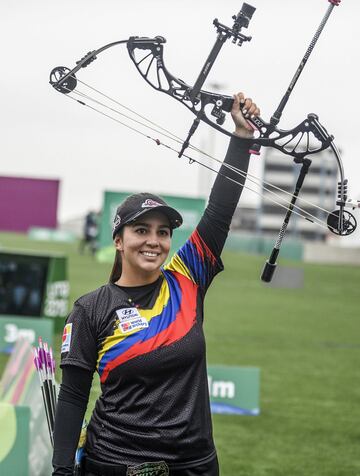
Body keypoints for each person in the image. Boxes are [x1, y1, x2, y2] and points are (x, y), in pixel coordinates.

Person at [52, 92, 260, 476]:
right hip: (115, 463)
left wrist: (241, 138)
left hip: (195, 464)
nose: (154, 240)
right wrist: (63, 469)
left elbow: (219, 212)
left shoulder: (186, 279)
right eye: (141, 230)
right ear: (118, 240)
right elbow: (73, 395)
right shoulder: (90, 309)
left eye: (163, 232)